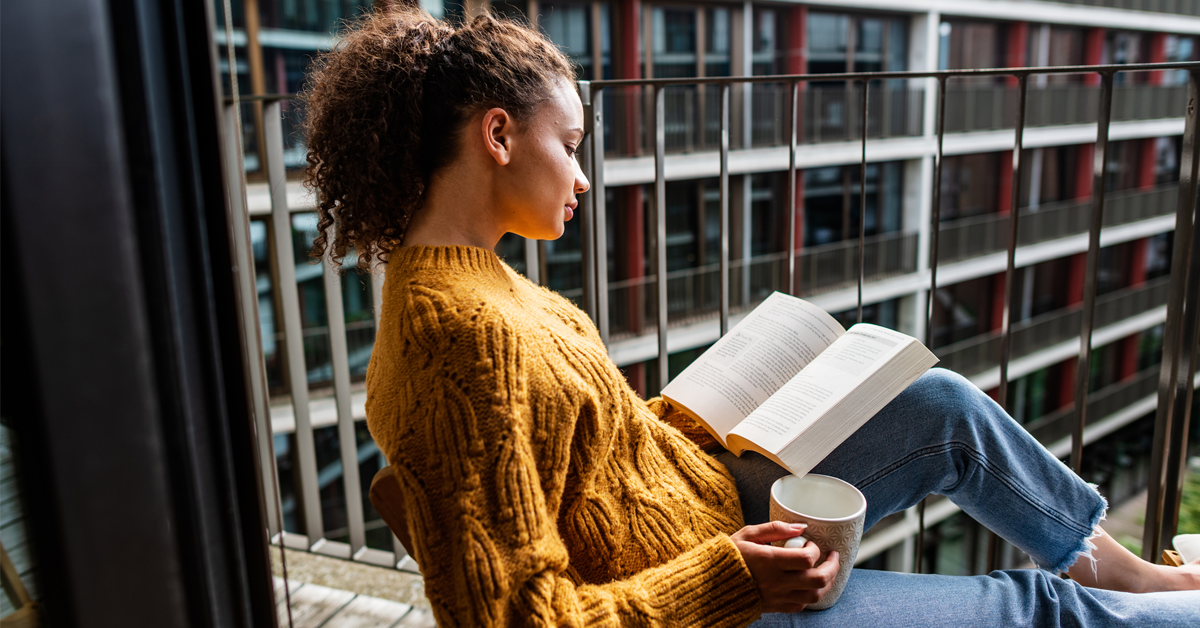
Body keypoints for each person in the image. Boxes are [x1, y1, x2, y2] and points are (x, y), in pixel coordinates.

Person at [302, 7, 1200, 626]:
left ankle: (1135, 572)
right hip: (719, 596)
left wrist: (691, 419)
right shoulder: (458, 337)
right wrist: (735, 578)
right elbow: (518, 617)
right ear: (498, 136)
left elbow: (585, 450)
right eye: (570, 147)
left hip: (710, 503)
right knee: (1037, 611)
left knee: (943, 410)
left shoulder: (489, 285)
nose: (581, 178)